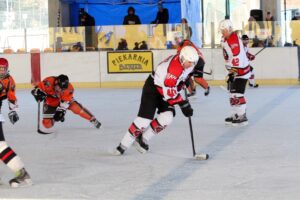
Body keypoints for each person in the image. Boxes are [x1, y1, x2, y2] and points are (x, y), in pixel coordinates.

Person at [114, 46, 199, 155]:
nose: (191, 65)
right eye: (189, 62)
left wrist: (185, 80)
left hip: (165, 88)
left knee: (167, 117)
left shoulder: (187, 63)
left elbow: (185, 75)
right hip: (153, 88)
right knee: (144, 120)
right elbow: (170, 94)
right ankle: (122, 146)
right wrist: (183, 104)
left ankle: (142, 139)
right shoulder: (173, 70)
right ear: (182, 59)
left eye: (193, 63)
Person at [0, 58, 32, 187]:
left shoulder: (9, 81)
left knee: (0, 146)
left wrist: (13, 111)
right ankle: (22, 173)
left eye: (3, 69)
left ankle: (22, 173)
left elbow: (11, 96)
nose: (1, 71)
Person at [31, 74, 101, 130]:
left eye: (62, 89)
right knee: (47, 125)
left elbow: (64, 103)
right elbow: (35, 90)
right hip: (50, 102)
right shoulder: (48, 82)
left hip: (62, 101)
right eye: (59, 88)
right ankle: (55, 118)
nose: (60, 91)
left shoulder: (69, 89)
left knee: (75, 107)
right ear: (55, 83)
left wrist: (61, 112)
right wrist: (37, 94)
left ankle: (92, 119)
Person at [219, 19, 251, 126]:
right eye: (221, 30)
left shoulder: (233, 40)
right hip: (233, 71)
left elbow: (236, 56)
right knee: (231, 94)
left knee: (237, 94)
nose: (222, 32)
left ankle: (242, 116)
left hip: (240, 72)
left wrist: (232, 72)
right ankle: (235, 115)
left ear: (230, 29)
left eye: (224, 30)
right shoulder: (225, 38)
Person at [174, 32, 210, 97]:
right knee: (186, 77)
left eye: (178, 39)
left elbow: (190, 54)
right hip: (190, 62)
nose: (177, 41)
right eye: (176, 39)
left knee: (197, 79)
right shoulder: (179, 47)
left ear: (181, 38)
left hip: (198, 60)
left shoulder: (187, 43)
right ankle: (192, 90)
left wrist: (192, 65)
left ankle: (207, 87)